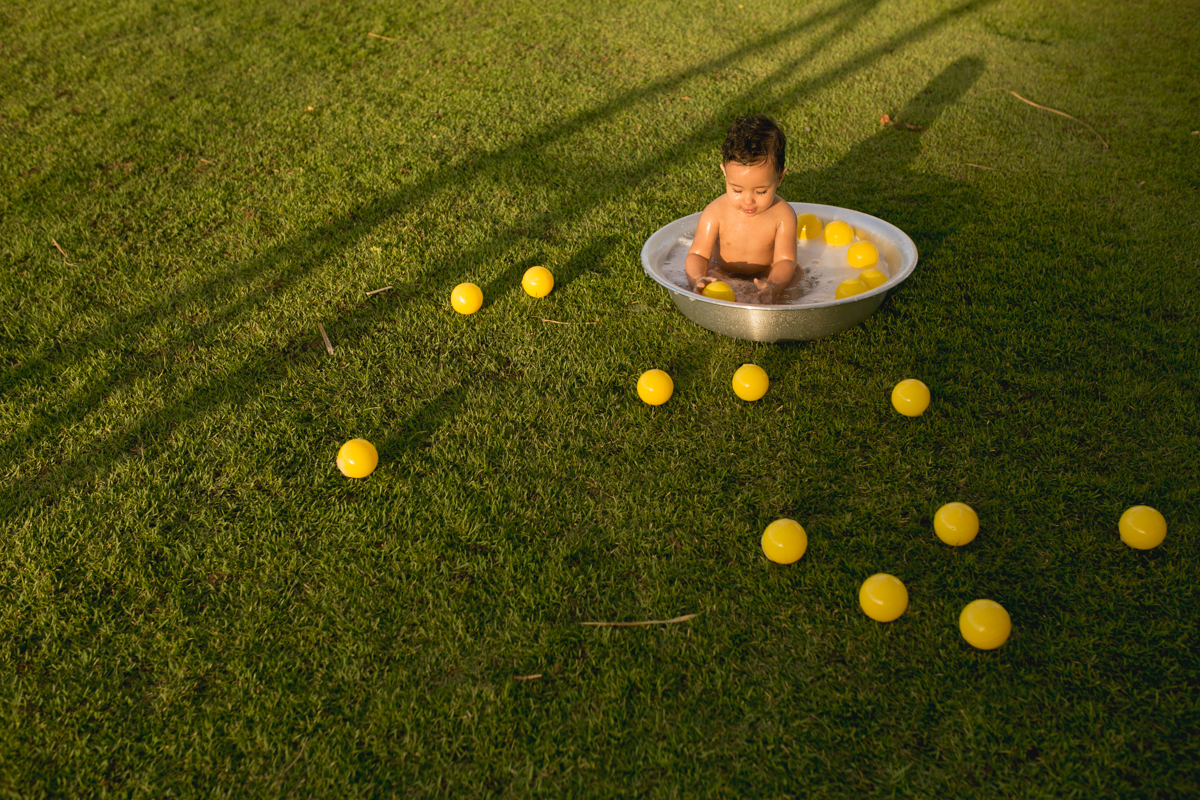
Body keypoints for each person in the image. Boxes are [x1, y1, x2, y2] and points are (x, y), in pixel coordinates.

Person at [686, 115, 798, 304]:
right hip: (721, 274)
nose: (748, 201)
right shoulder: (715, 213)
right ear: (724, 173)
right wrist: (698, 278)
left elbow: (785, 260)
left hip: (766, 275)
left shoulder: (783, 215)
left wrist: (773, 285)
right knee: (710, 281)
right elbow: (698, 254)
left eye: (761, 191)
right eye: (737, 190)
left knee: (795, 279)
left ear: (779, 178)